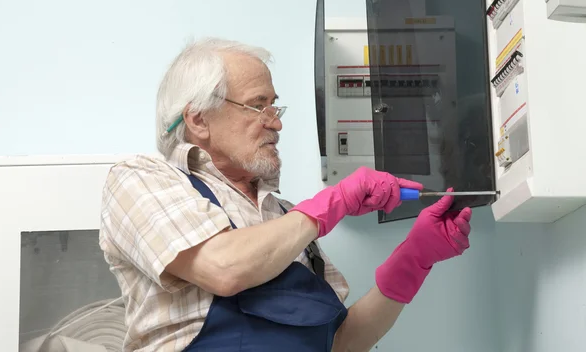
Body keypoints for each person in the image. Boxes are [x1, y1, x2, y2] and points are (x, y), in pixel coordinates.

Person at [99, 38, 472, 352]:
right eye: (258, 105)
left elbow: (340, 343)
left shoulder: (287, 216)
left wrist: (414, 258)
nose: (275, 122)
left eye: (275, 106)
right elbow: (224, 268)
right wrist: (329, 205)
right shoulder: (143, 179)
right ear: (198, 120)